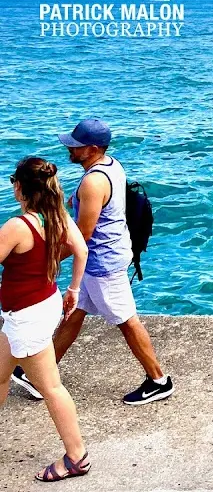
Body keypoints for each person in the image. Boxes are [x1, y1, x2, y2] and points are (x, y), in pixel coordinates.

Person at [14, 118, 173, 406]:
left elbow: (82, 235)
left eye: (75, 145)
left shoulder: (93, 181)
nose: (69, 148)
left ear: (92, 148)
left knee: (126, 321)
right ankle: (38, 375)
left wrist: (47, 260)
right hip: (106, 256)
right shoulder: (111, 165)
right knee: (75, 313)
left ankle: (159, 380)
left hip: (103, 264)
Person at [1, 156, 91, 482]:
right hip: (42, 306)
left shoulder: (17, 226)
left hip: (27, 317)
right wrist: (74, 290)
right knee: (0, 375)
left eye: (13, 181)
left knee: (51, 387)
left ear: (20, 187)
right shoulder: (58, 218)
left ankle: (77, 456)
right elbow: (81, 250)